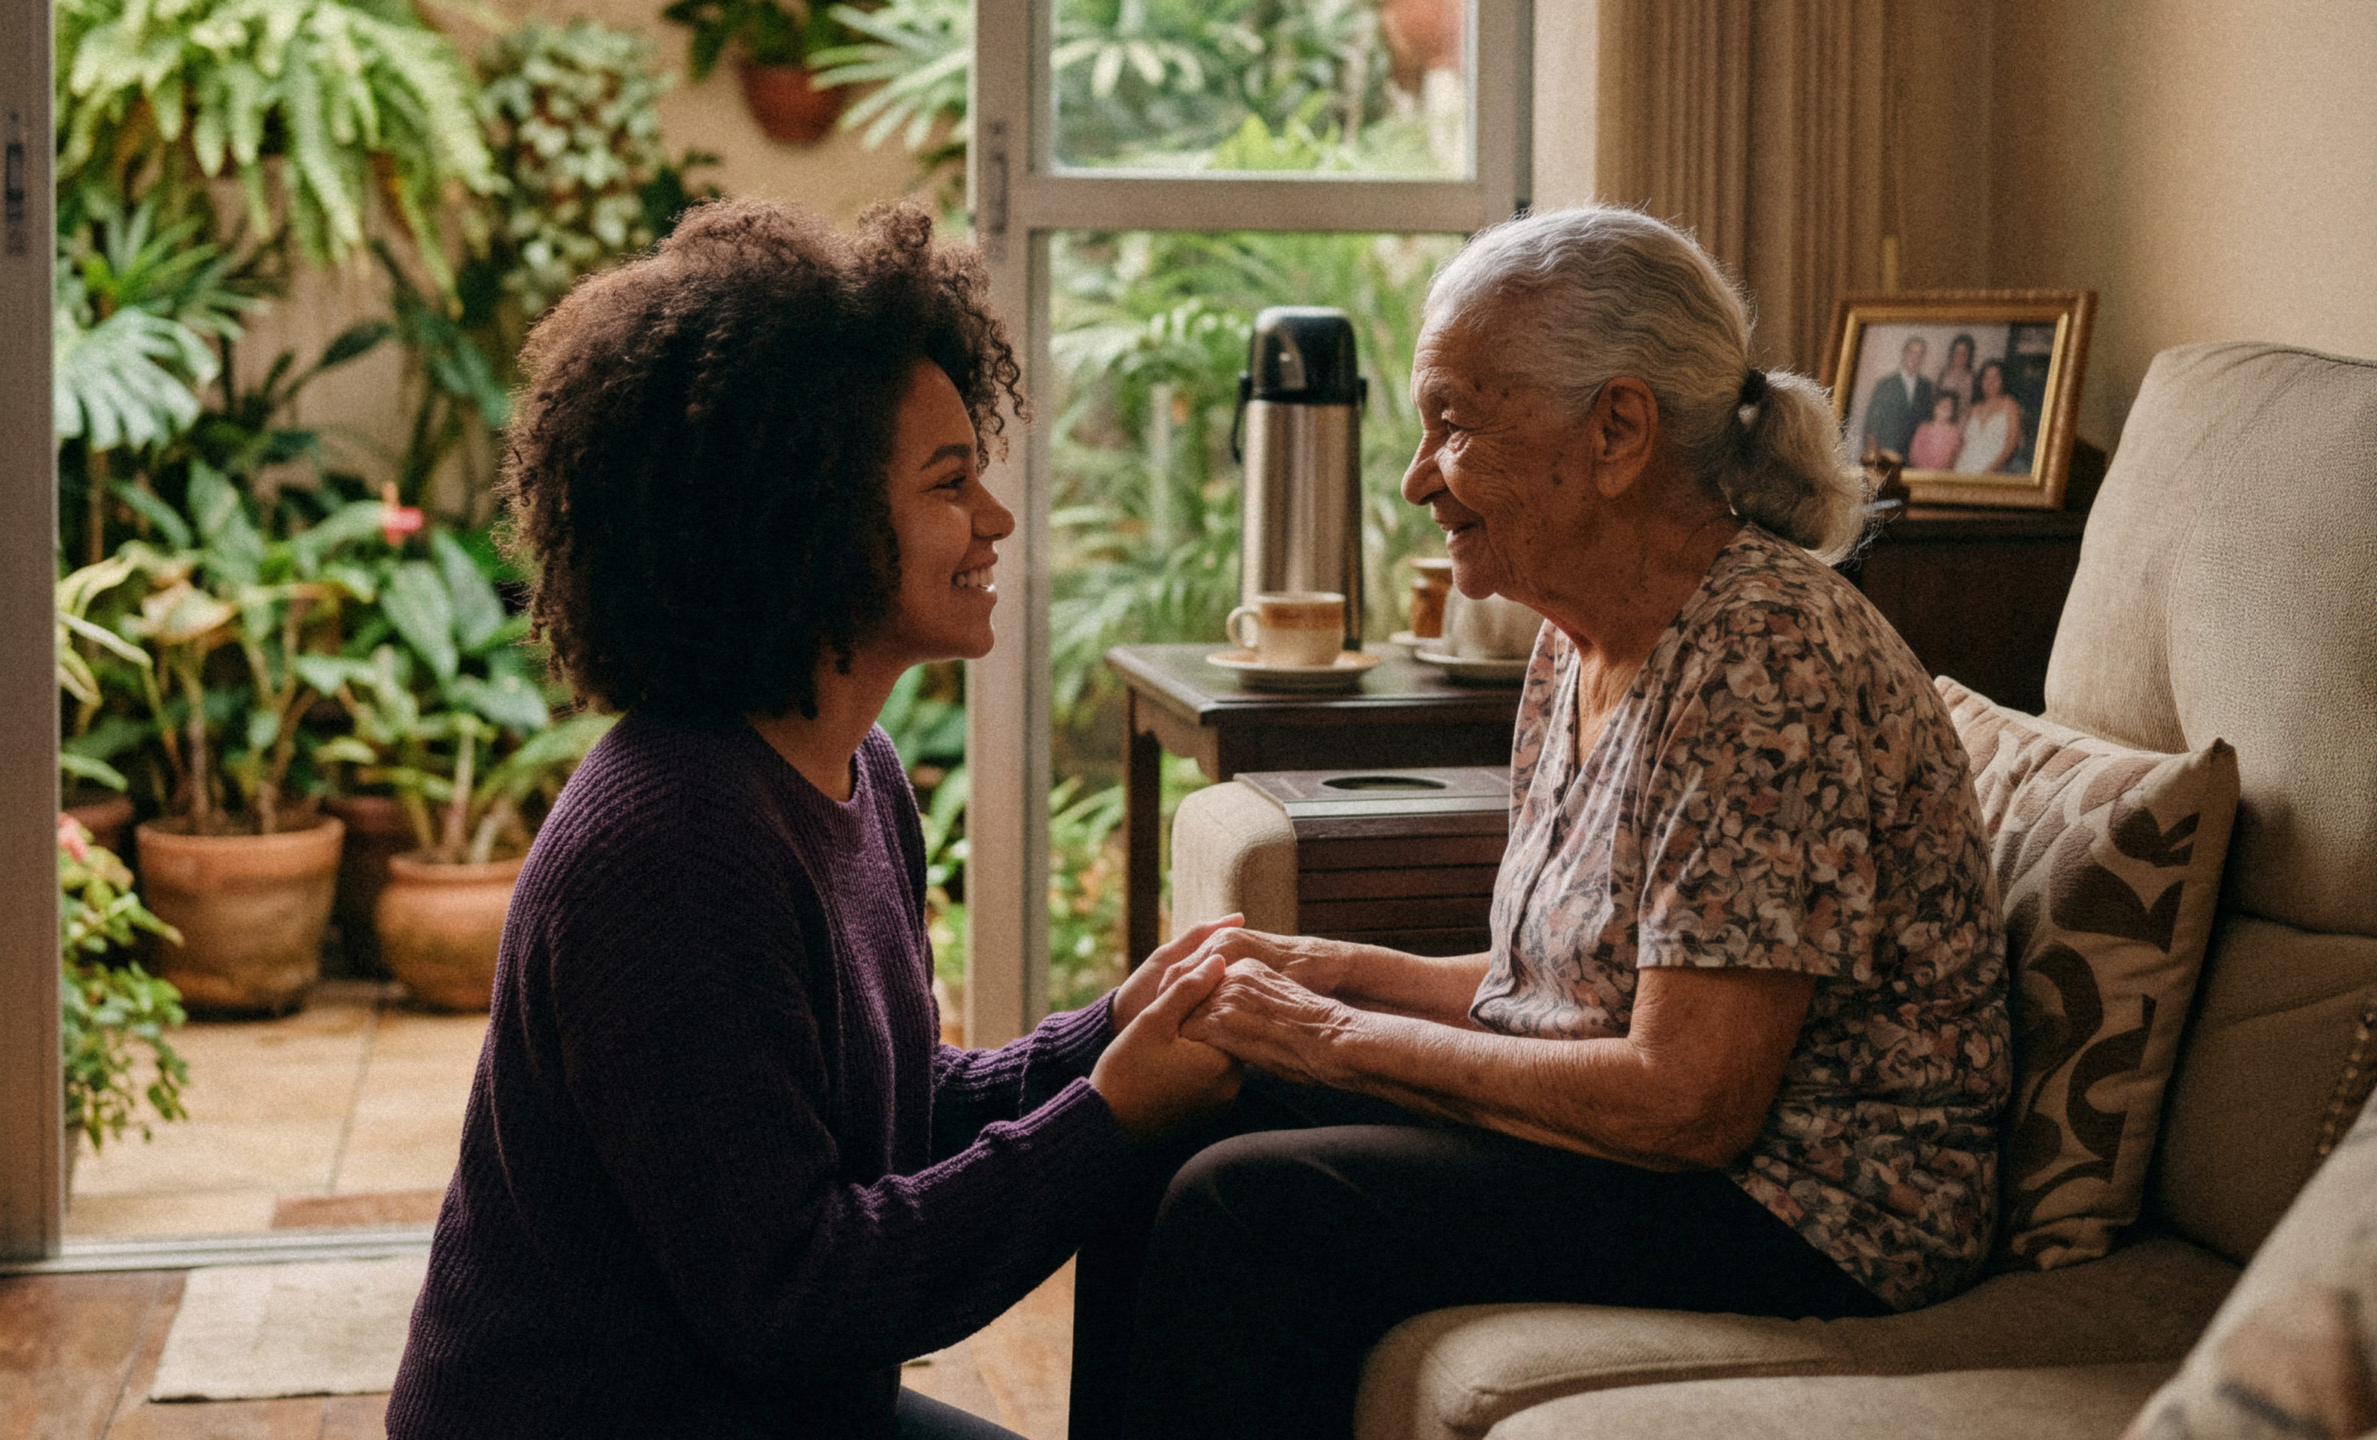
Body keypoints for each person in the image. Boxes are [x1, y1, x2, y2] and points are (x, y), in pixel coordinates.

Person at [1071, 205, 2011, 1440]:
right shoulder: (1578, 642)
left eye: (1453, 423)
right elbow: (1561, 989)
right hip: (1686, 1151)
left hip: (1810, 1206)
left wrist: (1336, 1034)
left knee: (1251, 1207)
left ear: (1617, 430)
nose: (1416, 479)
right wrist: (1323, 970)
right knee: (1168, 1117)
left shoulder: (1767, 656)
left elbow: (1688, 1098)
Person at [384, 199, 1246, 1440]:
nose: (995, 520)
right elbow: (799, 1292)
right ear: (804, 516)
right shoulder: (670, 845)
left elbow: (886, 1115)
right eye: (950, 484)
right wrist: (1109, 1118)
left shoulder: (850, 767)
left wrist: (1110, 1035)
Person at [1859, 333, 1934, 459]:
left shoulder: (1926, 387)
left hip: (1913, 456)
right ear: (1904, 355)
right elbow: (1872, 421)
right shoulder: (1885, 384)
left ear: (1923, 359)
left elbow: (1928, 420)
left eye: (1920, 354)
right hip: (1886, 451)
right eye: (1912, 352)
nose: (1915, 358)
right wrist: (1873, 451)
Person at [1955, 359, 2026, 473]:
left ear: (2002, 381)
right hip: (1963, 468)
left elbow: (2012, 443)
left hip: (1992, 471)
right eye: (1986, 377)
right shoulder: (1974, 408)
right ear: (1981, 381)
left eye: (1995, 378)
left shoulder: (2010, 405)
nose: (1990, 382)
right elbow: (1962, 443)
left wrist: (1990, 470)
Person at [1909, 389, 1964, 470]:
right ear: (1935, 407)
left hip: (1941, 474)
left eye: (1948, 407)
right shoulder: (1923, 428)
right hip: (1921, 471)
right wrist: (1922, 467)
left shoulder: (1954, 432)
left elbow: (1953, 457)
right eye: (1941, 405)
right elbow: (1914, 452)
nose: (1944, 409)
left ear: (1953, 412)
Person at [1933, 332, 1980, 424]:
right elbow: (1934, 403)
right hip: (1941, 425)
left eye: (1963, 353)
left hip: (1963, 426)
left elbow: (1976, 407)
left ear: (1969, 356)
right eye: (1956, 352)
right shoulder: (1941, 374)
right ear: (1952, 352)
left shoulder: (1974, 379)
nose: (1959, 356)